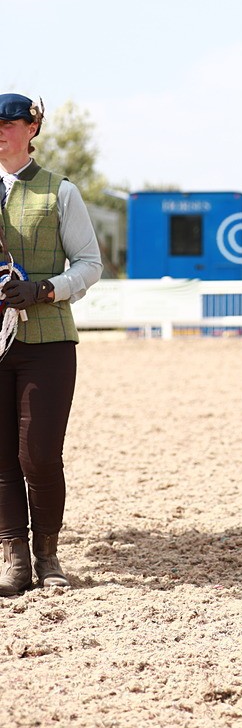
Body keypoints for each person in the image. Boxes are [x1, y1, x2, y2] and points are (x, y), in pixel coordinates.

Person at [0, 94, 103, 595]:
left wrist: (44, 289)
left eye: (8, 122)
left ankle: (47, 554)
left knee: (38, 455)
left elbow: (90, 264)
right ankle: (14, 558)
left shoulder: (60, 192)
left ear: (32, 127)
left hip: (47, 339)